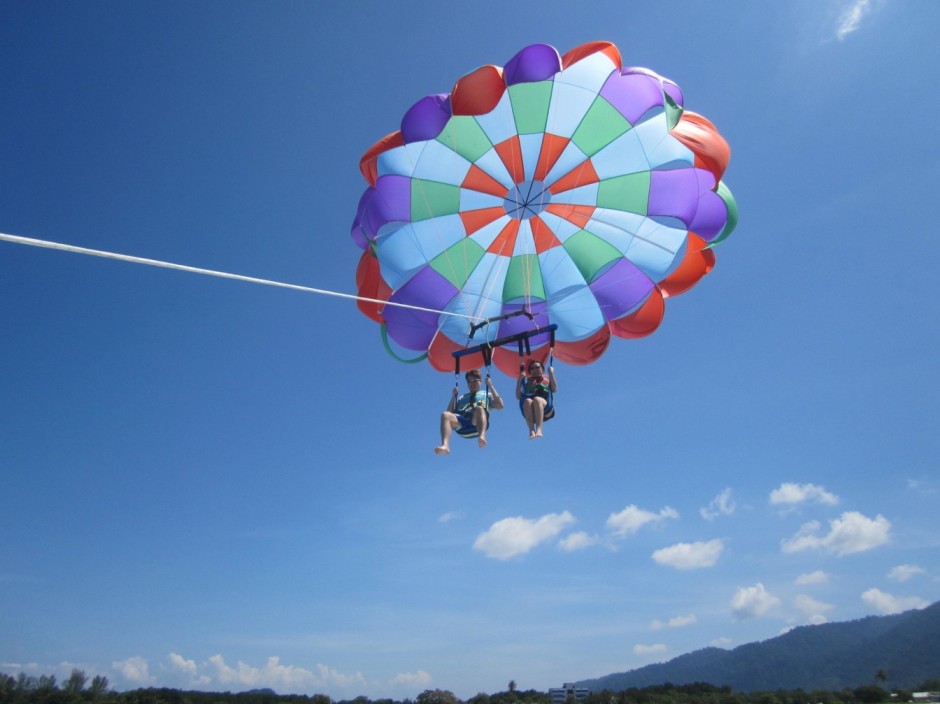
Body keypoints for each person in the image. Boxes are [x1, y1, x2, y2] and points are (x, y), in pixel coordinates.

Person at [434, 368, 505, 455]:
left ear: (480, 382)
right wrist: (453, 397)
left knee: (479, 408)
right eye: (469, 381)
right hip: (463, 424)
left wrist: (490, 386)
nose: (472, 383)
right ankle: (445, 445)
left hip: (476, 423)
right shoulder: (462, 398)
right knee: (445, 414)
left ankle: (482, 437)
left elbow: (500, 405)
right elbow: (449, 414)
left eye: (475, 380)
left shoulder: (486, 394)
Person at [516, 359, 556, 439]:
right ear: (530, 371)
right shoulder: (527, 384)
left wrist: (551, 373)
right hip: (531, 410)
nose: (535, 369)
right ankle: (531, 430)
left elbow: (554, 389)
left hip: (546, 408)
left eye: (537, 367)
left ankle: (539, 429)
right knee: (527, 401)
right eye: (532, 368)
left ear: (542, 369)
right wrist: (519, 380)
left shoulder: (547, 379)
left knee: (537, 399)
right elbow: (518, 396)